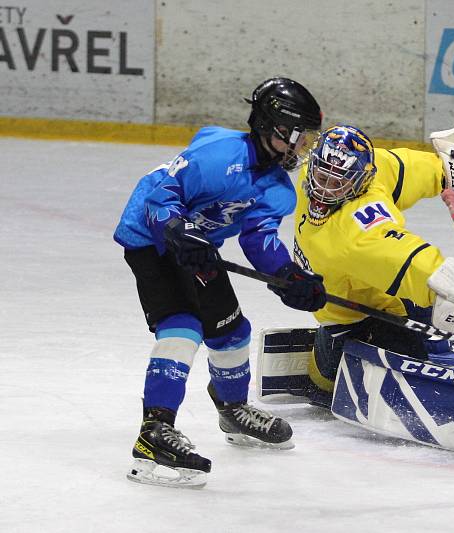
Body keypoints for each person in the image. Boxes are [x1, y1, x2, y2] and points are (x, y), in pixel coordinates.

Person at [278, 103, 454, 461]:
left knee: (420, 323)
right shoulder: (354, 235)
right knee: (434, 345)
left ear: (362, 178)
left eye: (337, 182)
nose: (324, 189)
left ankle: (328, 370)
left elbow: (406, 169)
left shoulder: (328, 167)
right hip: (362, 330)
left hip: (345, 316)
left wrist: (449, 172)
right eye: (322, 178)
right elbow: (416, 267)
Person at [114, 77, 327, 488]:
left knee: (231, 330)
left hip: (198, 247)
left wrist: (287, 276)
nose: (306, 148)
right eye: (303, 137)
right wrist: (177, 230)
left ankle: (232, 410)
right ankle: (153, 435)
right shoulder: (218, 156)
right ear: (277, 128)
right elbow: (161, 198)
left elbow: (259, 238)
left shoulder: (278, 188)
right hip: (150, 238)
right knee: (183, 325)